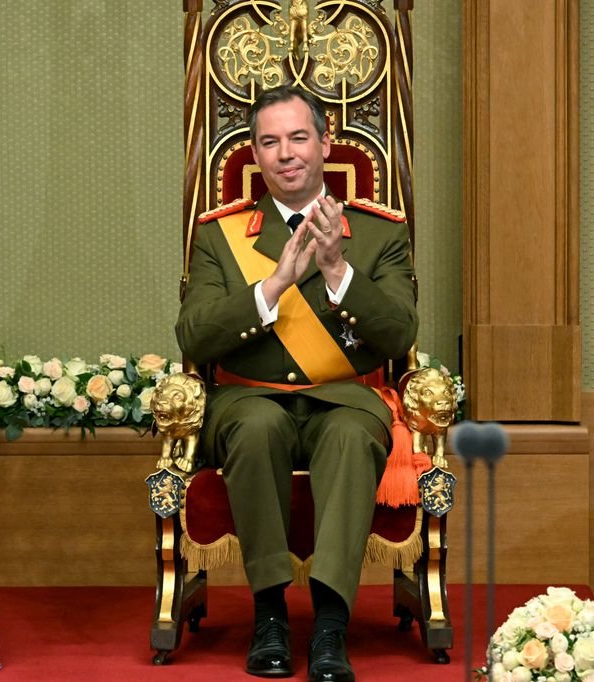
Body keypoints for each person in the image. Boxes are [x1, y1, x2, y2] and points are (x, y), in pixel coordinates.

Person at [176, 85, 417, 681]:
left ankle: (332, 626)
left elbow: (397, 333)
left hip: (346, 399)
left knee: (349, 433)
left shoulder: (379, 232)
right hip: (248, 398)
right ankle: (270, 617)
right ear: (255, 155)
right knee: (256, 427)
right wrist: (273, 284)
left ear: (326, 144)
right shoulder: (220, 234)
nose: (285, 153)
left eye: (298, 137)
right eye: (269, 142)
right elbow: (195, 337)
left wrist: (338, 268)